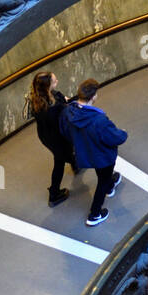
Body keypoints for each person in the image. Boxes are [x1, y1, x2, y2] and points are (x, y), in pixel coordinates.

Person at [60, 79, 128, 226]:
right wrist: (124, 134)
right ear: (93, 97)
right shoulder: (98, 120)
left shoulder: (69, 111)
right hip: (102, 156)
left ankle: (110, 184)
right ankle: (95, 214)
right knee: (102, 181)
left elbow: (65, 131)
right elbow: (114, 137)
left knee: (102, 174)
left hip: (86, 152)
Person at [24, 71, 78, 207]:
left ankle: (74, 163)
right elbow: (63, 113)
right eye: (54, 81)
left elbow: (59, 97)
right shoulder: (51, 108)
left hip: (46, 135)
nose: (57, 81)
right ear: (47, 86)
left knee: (63, 154)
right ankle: (54, 194)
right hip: (56, 136)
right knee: (59, 161)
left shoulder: (37, 98)